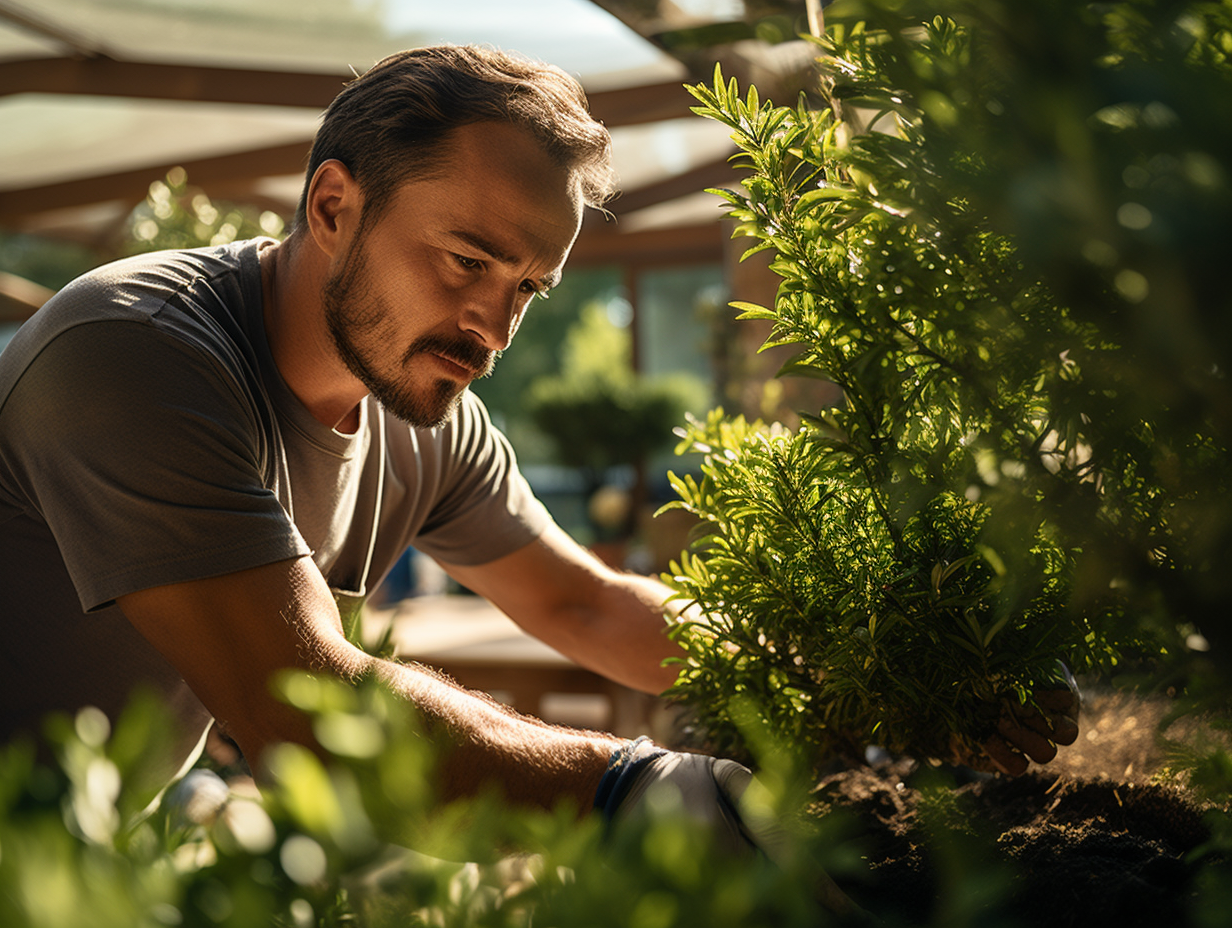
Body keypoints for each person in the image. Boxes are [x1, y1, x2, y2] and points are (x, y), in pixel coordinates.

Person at [0, 46, 1076, 832]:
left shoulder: (427, 415)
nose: (493, 326)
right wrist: (632, 788)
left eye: (527, 286)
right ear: (333, 205)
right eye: (465, 260)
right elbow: (303, 706)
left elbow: (585, 603)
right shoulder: (132, 353)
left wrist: (884, 678)